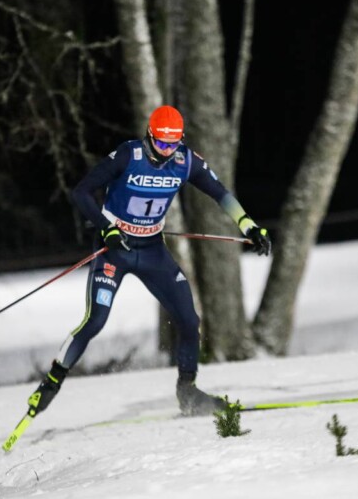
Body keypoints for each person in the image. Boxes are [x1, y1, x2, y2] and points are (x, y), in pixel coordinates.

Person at [27, 105, 271, 418]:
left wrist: (248, 225)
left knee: (189, 321)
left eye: (174, 144)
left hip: (153, 250)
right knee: (95, 321)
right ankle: (50, 384)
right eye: (162, 143)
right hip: (114, 249)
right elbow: (82, 193)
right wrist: (108, 229)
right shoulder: (129, 156)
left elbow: (220, 192)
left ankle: (188, 391)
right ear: (149, 136)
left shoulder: (186, 161)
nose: (168, 151)